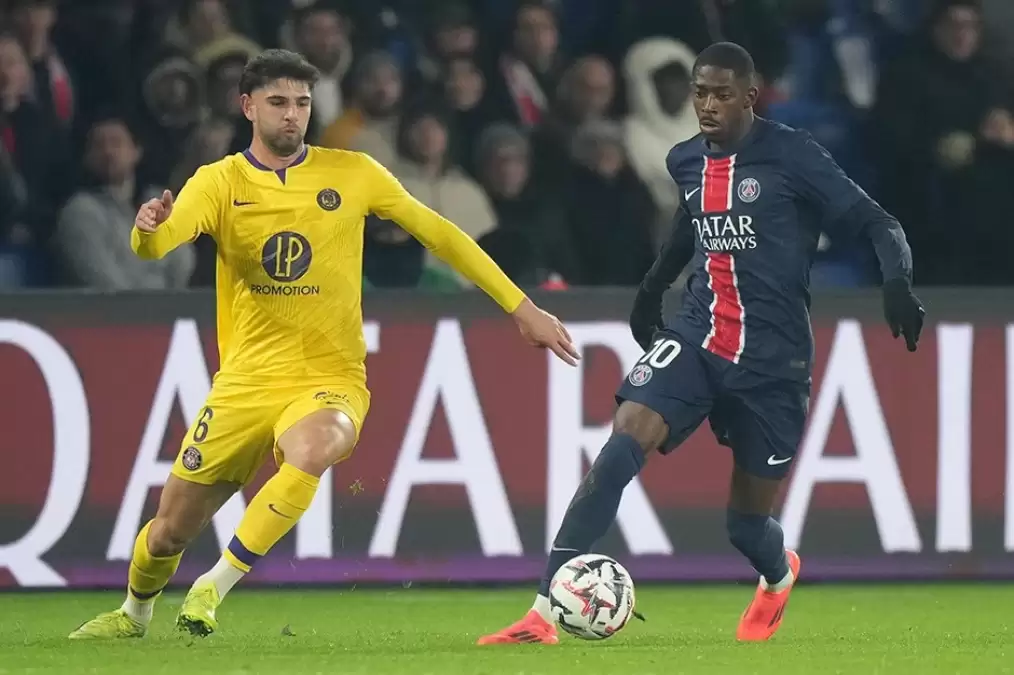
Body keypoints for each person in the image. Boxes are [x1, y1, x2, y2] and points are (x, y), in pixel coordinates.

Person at [68, 48, 578, 640]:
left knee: (314, 448)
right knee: (167, 533)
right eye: (278, 102)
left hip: (330, 376)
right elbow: (159, 244)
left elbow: (439, 234)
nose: (292, 114)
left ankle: (214, 586)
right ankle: (133, 615)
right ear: (248, 106)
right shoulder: (219, 181)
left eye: (302, 103)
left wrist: (522, 308)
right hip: (245, 383)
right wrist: (147, 229)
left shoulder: (353, 173)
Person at [477, 41, 925, 646]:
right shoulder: (686, 160)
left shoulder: (793, 155)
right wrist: (651, 289)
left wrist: (897, 282)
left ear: (750, 96)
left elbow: (878, 222)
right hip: (697, 336)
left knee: (746, 526)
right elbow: (690, 227)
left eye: (721, 94)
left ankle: (777, 574)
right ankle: (541, 611)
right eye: (700, 92)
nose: (707, 105)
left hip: (774, 363)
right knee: (620, 447)